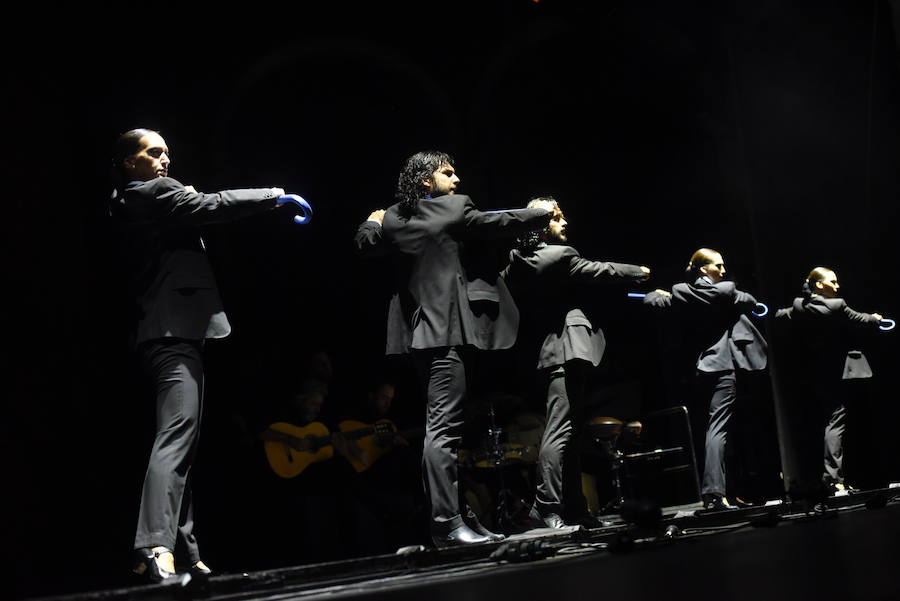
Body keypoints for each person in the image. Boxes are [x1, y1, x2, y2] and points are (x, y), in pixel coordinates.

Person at [108, 128, 289, 582]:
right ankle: (154, 545)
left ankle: (185, 553)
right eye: (153, 153)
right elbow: (211, 204)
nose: (165, 160)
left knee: (181, 443)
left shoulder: (134, 199)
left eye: (167, 152)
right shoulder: (152, 191)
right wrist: (273, 195)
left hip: (167, 334)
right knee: (175, 440)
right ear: (131, 162)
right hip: (170, 333)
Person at [354, 150, 552, 546]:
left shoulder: (393, 218)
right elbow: (495, 221)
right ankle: (446, 522)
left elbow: (365, 242)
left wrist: (371, 220)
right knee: (443, 430)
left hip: (422, 335)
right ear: (426, 181)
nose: (457, 179)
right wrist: (540, 212)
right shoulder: (453, 208)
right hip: (446, 332)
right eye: (448, 172)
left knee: (444, 428)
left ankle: (456, 517)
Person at [501, 197, 650, 528]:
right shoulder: (558, 255)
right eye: (556, 217)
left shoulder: (517, 263)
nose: (564, 221)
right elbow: (597, 270)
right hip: (566, 349)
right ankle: (545, 505)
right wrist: (637, 271)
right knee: (560, 429)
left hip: (547, 351)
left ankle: (575, 506)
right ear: (538, 225)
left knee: (569, 430)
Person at [643, 248, 767, 510]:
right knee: (718, 430)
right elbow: (749, 300)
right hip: (722, 366)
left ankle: (726, 491)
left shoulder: (682, 295)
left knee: (716, 430)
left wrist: (665, 294)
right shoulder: (724, 294)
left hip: (700, 369)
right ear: (703, 269)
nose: (723, 271)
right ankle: (714, 493)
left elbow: (651, 300)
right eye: (718, 266)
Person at [775, 267, 883, 496]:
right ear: (820, 285)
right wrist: (876, 319)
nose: (837, 285)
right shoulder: (836, 305)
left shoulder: (799, 306)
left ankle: (825, 479)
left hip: (813, 373)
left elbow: (780, 316)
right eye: (833, 282)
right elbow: (860, 318)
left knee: (823, 421)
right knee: (836, 422)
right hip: (837, 372)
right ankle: (833, 478)